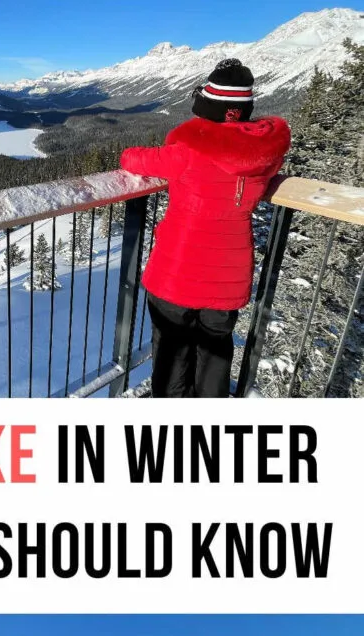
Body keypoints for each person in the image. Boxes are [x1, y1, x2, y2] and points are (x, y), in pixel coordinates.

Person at [120, 58, 291, 397]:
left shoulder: (187, 151)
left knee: (171, 351)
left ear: (207, 105)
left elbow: (131, 159)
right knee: (215, 352)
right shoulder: (266, 157)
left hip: (177, 271)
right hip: (228, 275)